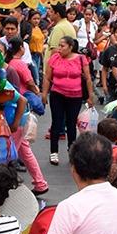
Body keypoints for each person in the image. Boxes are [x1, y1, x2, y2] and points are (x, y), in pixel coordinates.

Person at [41, 35, 96, 166]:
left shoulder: (81, 59)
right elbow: (47, 78)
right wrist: (44, 94)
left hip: (75, 96)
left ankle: (72, 150)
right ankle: (53, 152)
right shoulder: (54, 58)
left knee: (71, 124)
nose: (59, 49)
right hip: (57, 94)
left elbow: (88, 78)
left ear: (70, 47)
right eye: (59, 45)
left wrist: (90, 96)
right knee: (56, 122)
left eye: (62, 46)